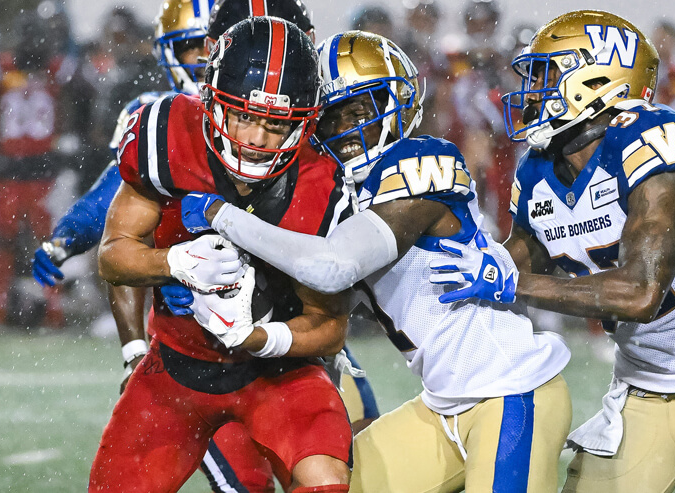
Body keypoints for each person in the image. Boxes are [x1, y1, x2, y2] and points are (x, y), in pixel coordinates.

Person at [180, 30, 572, 492]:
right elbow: (323, 312)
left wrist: (219, 214)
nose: (347, 128)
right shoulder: (335, 199)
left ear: (396, 103)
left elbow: (333, 267)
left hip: (511, 390)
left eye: (361, 109)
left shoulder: (422, 159)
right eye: (332, 117)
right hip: (442, 405)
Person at [90, 18, 355, 493]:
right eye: (244, 115)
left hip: (277, 375)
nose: (257, 138)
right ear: (211, 101)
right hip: (175, 369)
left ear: (306, 121)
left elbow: (330, 326)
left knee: (325, 482)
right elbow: (112, 256)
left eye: (277, 124)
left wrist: (257, 337)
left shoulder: (323, 184)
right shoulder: (169, 132)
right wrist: (174, 263)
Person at [429, 10, 675, 492]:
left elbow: (641, 292)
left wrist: (513, 283)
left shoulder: (649, 140)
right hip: (651, 388)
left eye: (549, 74)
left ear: (600, 77)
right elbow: (517, 260)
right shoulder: (539, 168)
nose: (532, 89)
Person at [0, 6, 93, 329]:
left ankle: (52, 308)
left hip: (41, 167)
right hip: (12, 166)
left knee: (48, 241)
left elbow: (80, 98)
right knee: (4, 240)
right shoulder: (4, 69)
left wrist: (68, 145)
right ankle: (0, 307)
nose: (32, 43)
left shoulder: (58, 69)